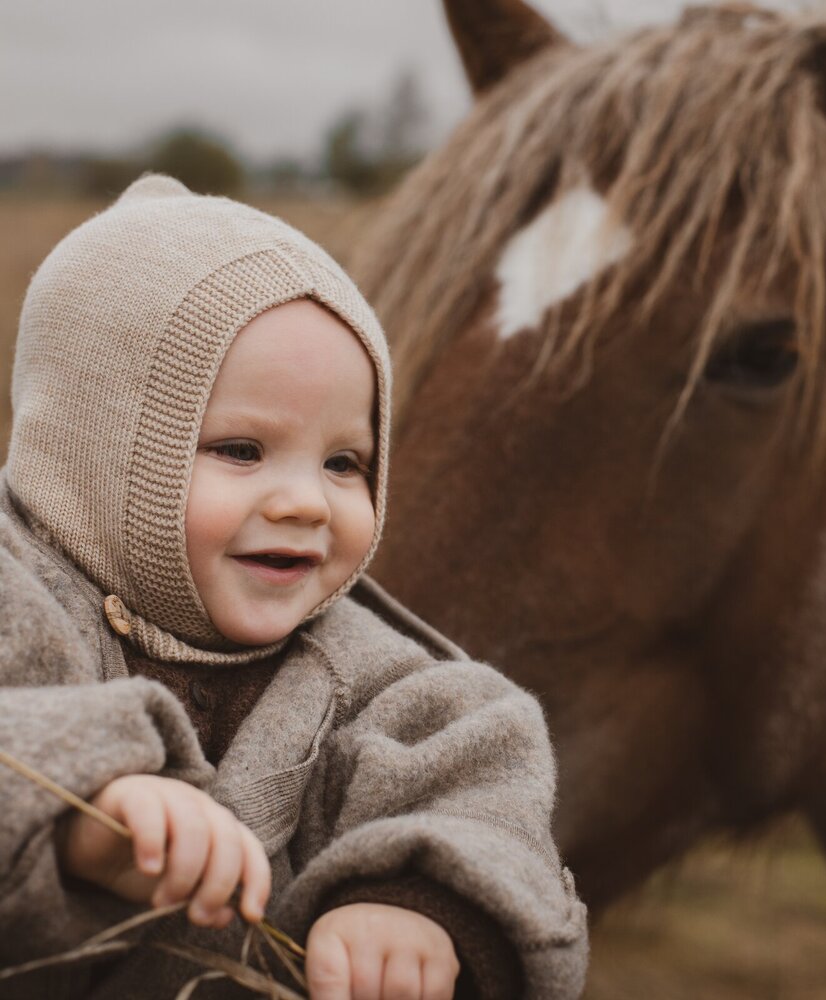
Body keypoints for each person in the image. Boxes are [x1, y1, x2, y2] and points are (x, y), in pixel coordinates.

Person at [0, 175, 587, 999]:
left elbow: (479, 786)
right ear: (91, 451)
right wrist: (82, 814)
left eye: (344, 463)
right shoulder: (16, 598)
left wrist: (414, 903)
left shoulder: (365, 670)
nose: (306, 502)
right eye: (241, 450)